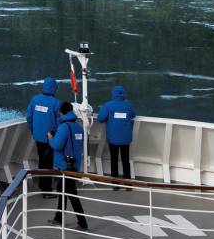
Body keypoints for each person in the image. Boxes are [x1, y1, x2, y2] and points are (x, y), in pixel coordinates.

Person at [48, 102, 89, 230]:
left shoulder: (63, 127)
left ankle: (83, 223)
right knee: (62, 191)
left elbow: (57, 145)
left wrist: (50, 138)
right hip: (74, 165)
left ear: (61, 113)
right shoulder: (79, 127)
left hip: (64, 166)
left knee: (71, 194)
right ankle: (58, 218)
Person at [26, 77, 60, 196]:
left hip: (38, 137)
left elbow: (29, 117)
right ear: (54, 88)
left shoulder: (35, 100)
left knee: (42, 161)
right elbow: (59, 122)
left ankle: (42, 184)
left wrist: (33, 130)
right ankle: (46, 190)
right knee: (48, 163)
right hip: (50, 137)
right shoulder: (56, 103)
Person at [96, 85, 136, 181]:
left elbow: (100, 118)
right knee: (125, 160)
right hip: (125, 138)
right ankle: (128, 181)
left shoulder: (108, 105)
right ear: (123, 94)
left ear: (113, 94)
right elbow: (133, 115)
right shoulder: (128, 105)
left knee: (114, 159)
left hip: (113, 138)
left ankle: (115, 182)